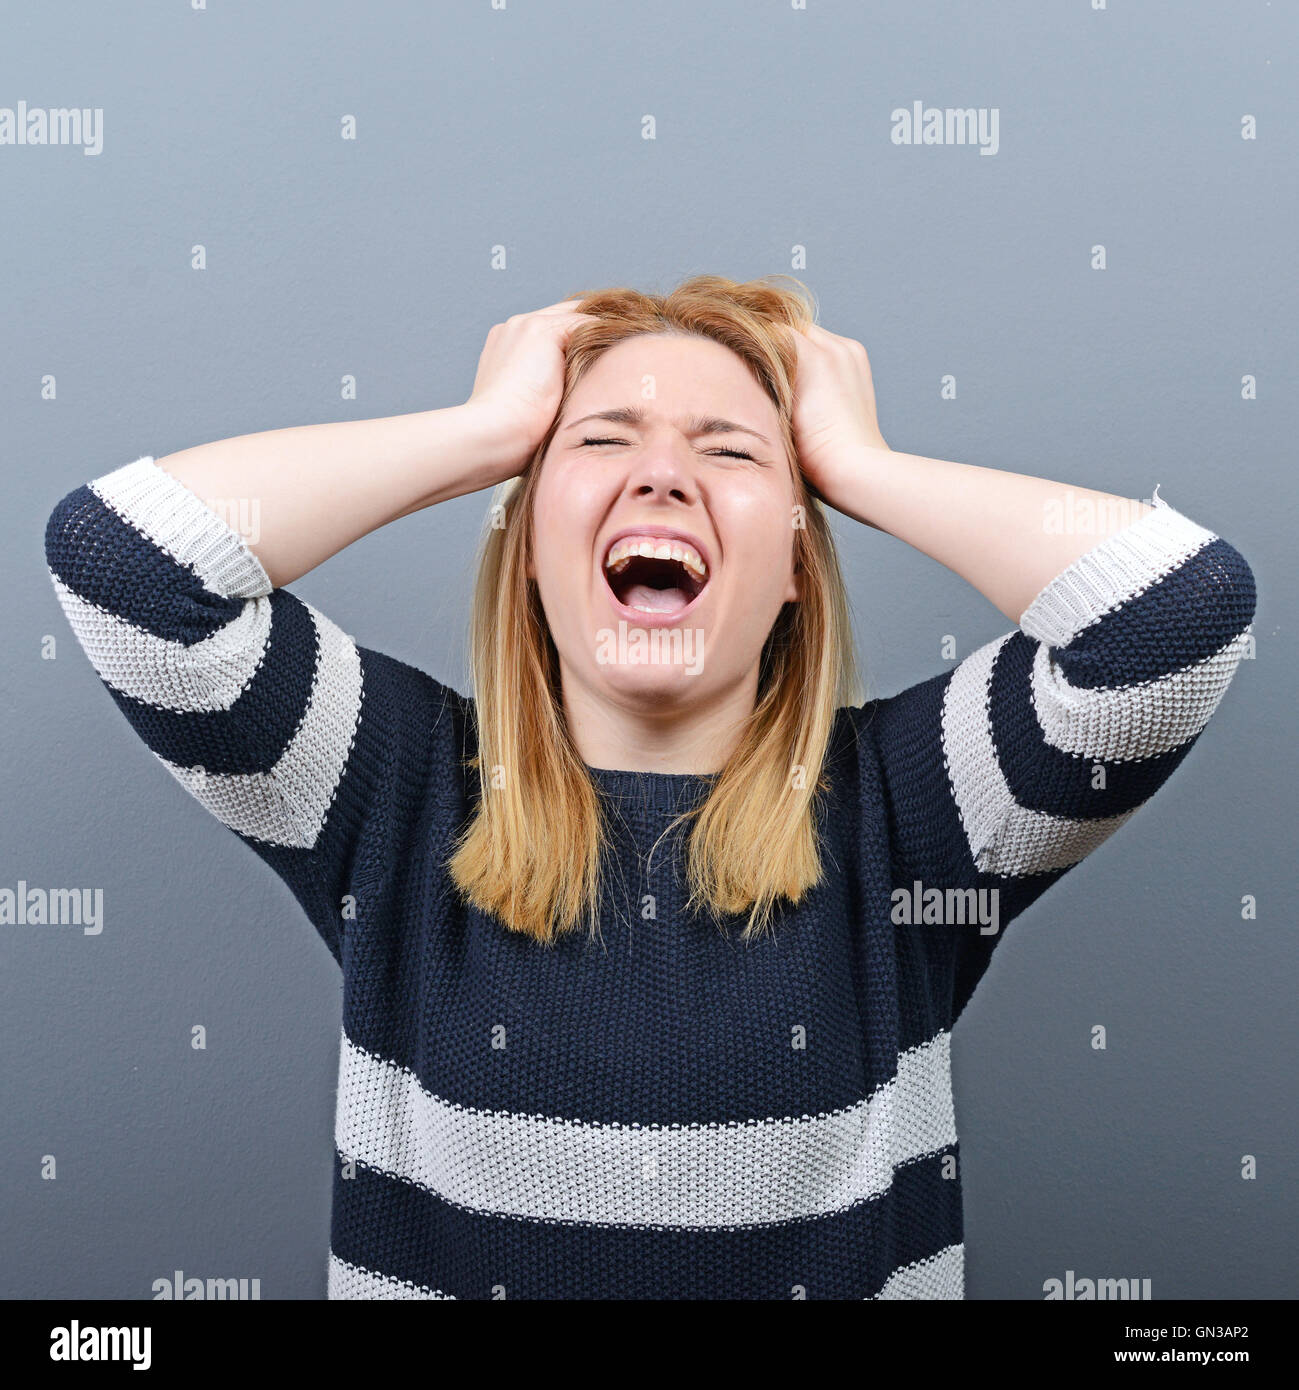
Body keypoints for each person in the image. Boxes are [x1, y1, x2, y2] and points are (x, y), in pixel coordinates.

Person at [43, 274, 1256, 1299]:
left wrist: (859, 464)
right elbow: (124, 562)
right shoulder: (392, 785)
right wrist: (477, 434)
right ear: (528, 551)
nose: (664, 476)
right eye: (603, 441)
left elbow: (1179, 615)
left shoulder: (915, 812)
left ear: (796, 566)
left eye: (728, 453)